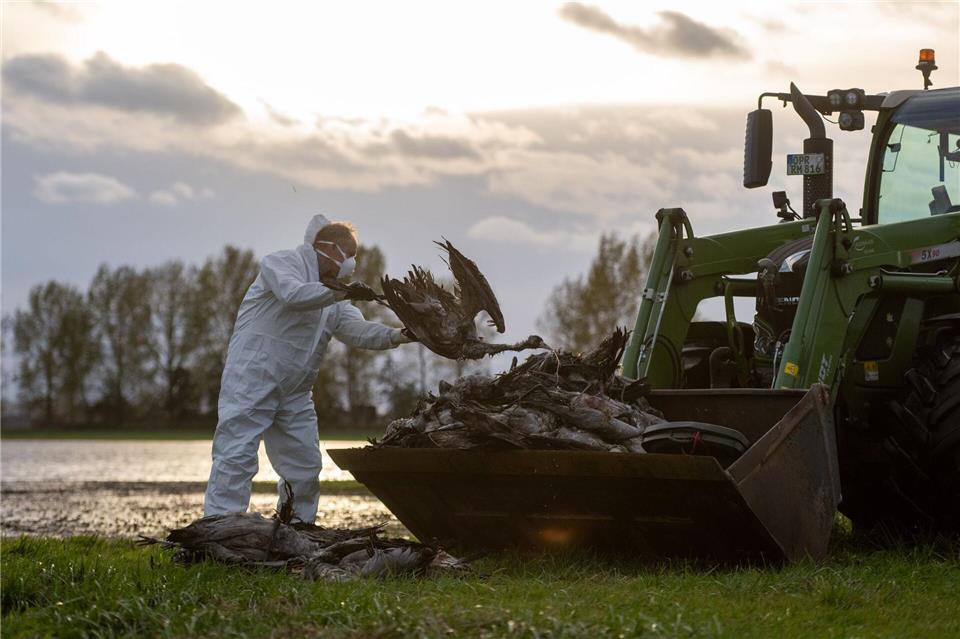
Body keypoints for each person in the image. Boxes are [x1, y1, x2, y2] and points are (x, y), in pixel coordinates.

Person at [203, 214, 414, 522]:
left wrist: (401, 335)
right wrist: (342, 292)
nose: (351, 263)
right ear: (326, 247)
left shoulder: (334, 297)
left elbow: (358, 330)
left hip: (295, 392)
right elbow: (293, 295)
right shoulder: (282, 263)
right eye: (348, 254)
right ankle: (221, 527)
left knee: (304, 465)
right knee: (236, 455)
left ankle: (296, 528)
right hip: (253, 378)